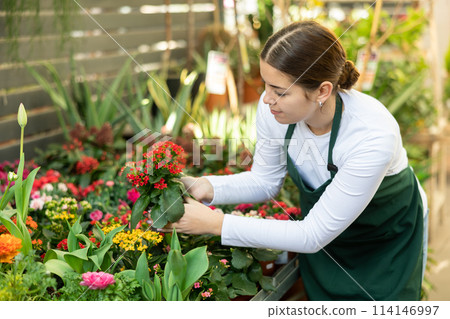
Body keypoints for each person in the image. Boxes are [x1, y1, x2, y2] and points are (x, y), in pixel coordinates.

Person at [162, 20, 428, 301]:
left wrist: (216, 224)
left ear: (323, 91)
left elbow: (312, 235)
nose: (266, 99)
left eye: (280, 91)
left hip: (385, 245)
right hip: (327, 244)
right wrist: (204, 186)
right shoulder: (275, 113)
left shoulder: (371, 134)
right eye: (266, 85)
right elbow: (265, 181)